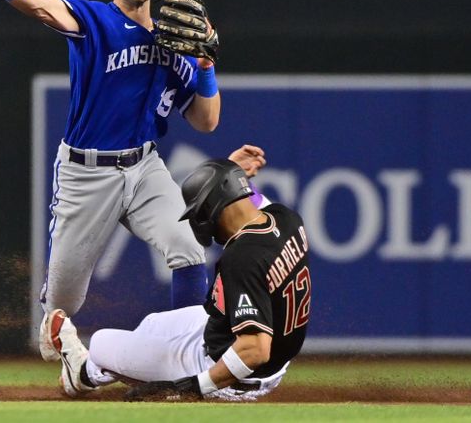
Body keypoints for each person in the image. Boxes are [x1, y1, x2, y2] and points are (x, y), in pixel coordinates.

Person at [0, 0, 221, 361]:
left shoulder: (177, 44)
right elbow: (41, 5)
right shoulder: (95, 20)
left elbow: (206, 121)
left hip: (145, 167)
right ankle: (54, 316)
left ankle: (185, 356)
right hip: (86, 173)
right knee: (64, 303)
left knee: (187, 248)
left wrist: (205, 67)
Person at [43, 155, 312, 401]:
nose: (199, 221)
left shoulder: (242, 258)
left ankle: (83, 373)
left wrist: (193, 387)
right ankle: (95, 371)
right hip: (259, 356)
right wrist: (231, 173)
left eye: (200, 212)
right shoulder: (285, 218)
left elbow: (254, 350)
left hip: (230, 374)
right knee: (152, 324)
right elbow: (243, 198)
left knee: (101, 343)